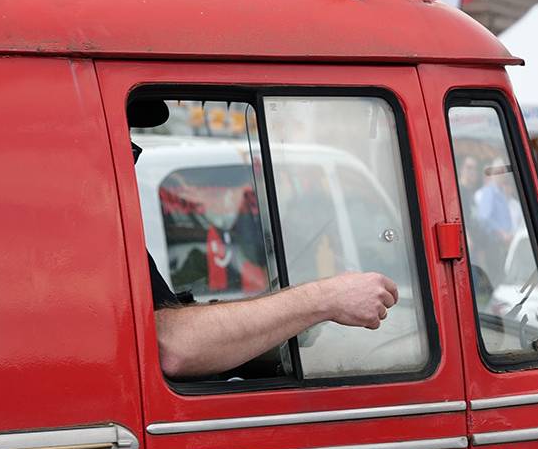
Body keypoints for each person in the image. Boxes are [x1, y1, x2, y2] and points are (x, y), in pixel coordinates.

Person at [126, 100, 398, 378]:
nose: (128, 164)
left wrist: (283, 321)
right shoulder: (96, 246)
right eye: (128, 151)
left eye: (131, 152)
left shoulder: (114, 239)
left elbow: (168, 325)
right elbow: (172, 346)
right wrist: (327, 298)